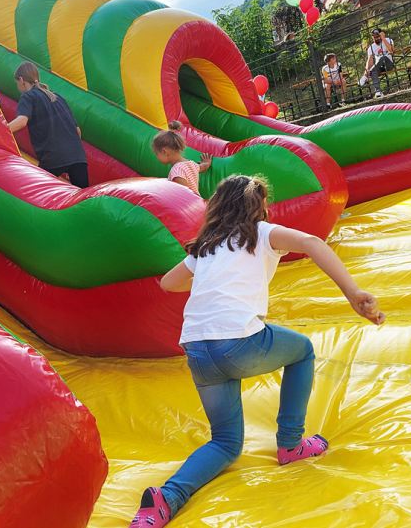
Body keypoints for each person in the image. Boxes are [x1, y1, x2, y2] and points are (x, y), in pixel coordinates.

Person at [128, 175, 386, 528]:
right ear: (258, 207)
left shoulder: (206, 247)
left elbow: (168, 283)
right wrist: (353, 293)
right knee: (303, 351)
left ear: (217, 208)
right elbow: (311, 242)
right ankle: (291, 444)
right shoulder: (262, 232)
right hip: (238, 341)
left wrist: (209, 276)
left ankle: (165, 499)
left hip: (197, 348)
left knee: (226, 443)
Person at [7, 62, 89, 188]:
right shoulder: (57, 97)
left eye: (17, 83)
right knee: (84, 199)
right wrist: (70, 159)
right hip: (78, 156)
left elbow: (22, 121)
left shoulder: (28, 97)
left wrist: (1, 130)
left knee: (33, 192)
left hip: (53, 156)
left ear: (22, 80)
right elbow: (77, 131)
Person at [151, 121, 212, 196]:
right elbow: (202, 168)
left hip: (189, 205)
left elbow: (185, 195)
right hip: (196, 202)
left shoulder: (177, 172)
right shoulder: (190, 163)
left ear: (165, 152)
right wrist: (207, 163)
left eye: (157, 154)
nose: (157, 157)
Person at [359, 28, 394, 98]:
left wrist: (383, 39)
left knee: (382, 58)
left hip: (388, 64)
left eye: (377, 36)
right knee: (373, 71)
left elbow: (392, 50)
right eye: (374, 37)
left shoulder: (388, 40)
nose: (376, 39)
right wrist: (367, 70)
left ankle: (365, 77)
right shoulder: (371, 48)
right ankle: (378, 91)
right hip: (379, 67)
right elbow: (369, 60)